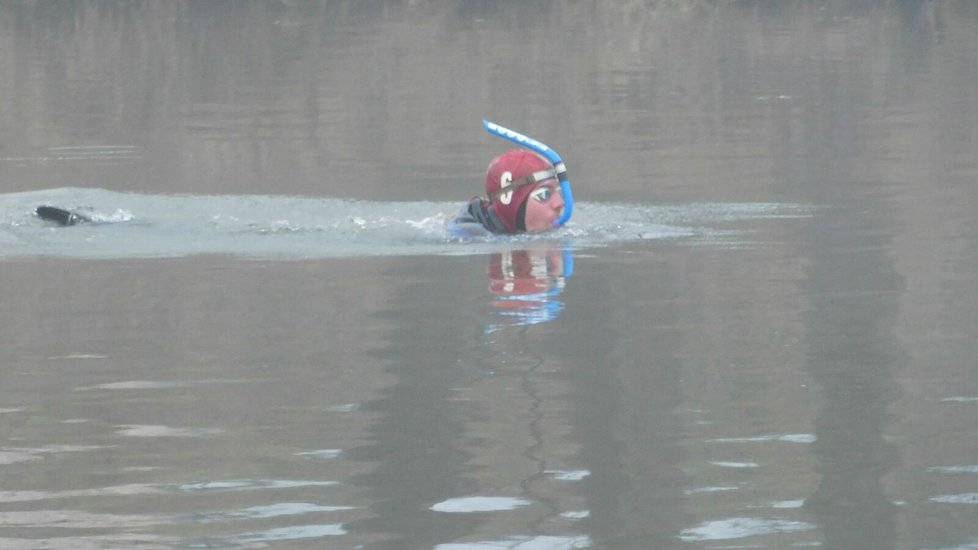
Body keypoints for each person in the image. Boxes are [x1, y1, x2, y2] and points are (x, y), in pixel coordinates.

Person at [447, 149, 566, 237]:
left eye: (558, 191)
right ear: (513, 203)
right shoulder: (470, 236)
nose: (560, 203)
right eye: (544, 194)